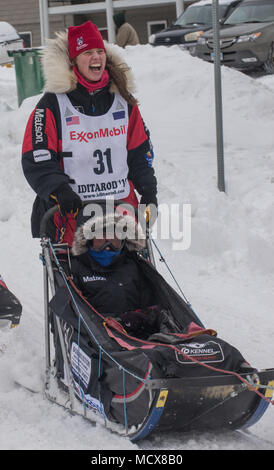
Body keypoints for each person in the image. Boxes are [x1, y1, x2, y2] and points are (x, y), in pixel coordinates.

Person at [21, 20, 156, 245]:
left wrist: (149, 191)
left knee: (134, 275)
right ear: (74, 61)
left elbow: (139, 152)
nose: (96, 57)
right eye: (88, 52)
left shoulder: (123, 101)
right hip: (72, 213)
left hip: (121, 209)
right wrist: (59, 189)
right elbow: (37, 156)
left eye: (99, 51)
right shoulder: (53, 104)